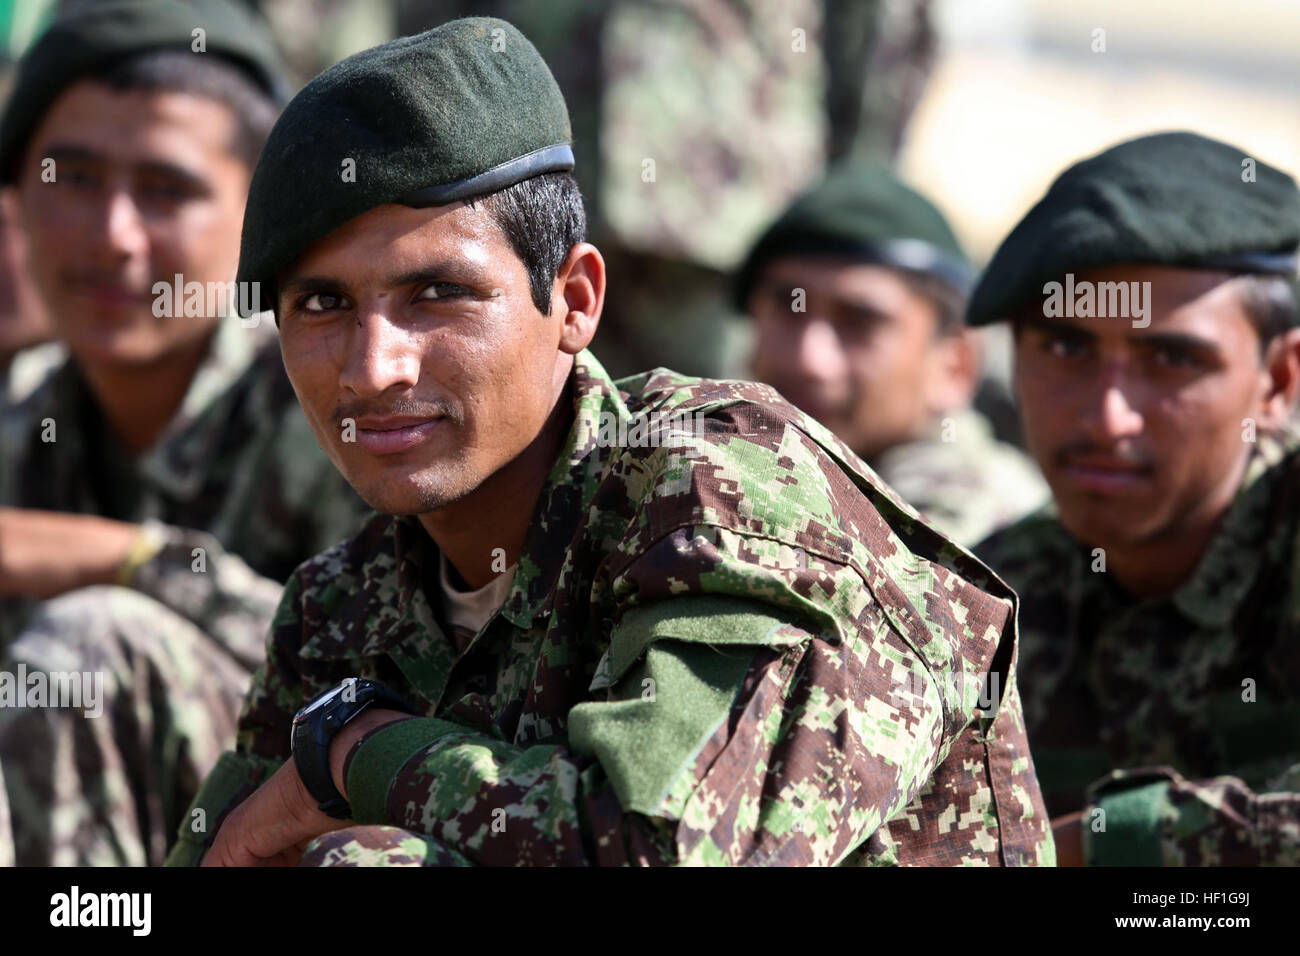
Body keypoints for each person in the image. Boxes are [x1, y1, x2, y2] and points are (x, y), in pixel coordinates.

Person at [166, 16, 1052, 868]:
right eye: (323, 305)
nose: (375, 367)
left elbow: (662, 849)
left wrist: (365, 755)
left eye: (438, 293)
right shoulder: (343, 606)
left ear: (577, 301)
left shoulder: (725, 492)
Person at [0, 0, 368, 866]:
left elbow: (400, 696)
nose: (113, 237)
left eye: (166, 191)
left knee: (91, 647)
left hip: (326, 825)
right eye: (73, 179)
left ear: (258, 218)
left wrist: (127, 558)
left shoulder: (337, 399)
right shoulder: (21, 418)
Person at [972, 131, 1300, 866]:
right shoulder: (988, 604)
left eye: (1171, 359)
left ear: (1278, 383)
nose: (1106, 417)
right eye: (1066, 348)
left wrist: (1099, 847)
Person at [739, 160, 1048, 547]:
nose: (809, 359)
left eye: (859, 322)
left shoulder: (979, 531)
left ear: (954, 366)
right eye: (788, 307)